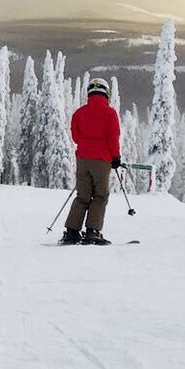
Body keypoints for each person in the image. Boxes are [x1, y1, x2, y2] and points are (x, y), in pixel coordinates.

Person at [60, 77, 121, 245]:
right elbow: (113, 137)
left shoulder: (79, 112)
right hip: (101, 160)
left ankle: (72, 232)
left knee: (83, 195)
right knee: (101, 195)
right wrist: (116, 157)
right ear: (106, 93)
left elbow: (76, 136)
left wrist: (87, 144)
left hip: (82, 159)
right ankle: (92, 231)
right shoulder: (110, 113)